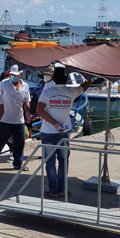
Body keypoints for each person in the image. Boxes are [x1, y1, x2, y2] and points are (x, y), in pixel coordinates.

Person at [37, 66, 91, 198]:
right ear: (67, 79)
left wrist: (54, 123)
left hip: (48, 132)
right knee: (63, 162)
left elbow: (39, 111)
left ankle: (53, 191)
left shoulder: (47, 92)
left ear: (53, 78)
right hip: (64, 132)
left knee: (50, 163)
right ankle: (62, 190)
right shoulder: (71, 91)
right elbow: (86, 85)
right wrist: (89, 73)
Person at [0, 64, 31, 170]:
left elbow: (26, 102)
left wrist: (28, 116)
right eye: (12, 74)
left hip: (19, 121)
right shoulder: (4, 84)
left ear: (21, 75)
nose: (14, 76)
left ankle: (18, 163)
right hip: (5, 120)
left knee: (20, 144)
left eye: (16, 75)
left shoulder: (25, 86)